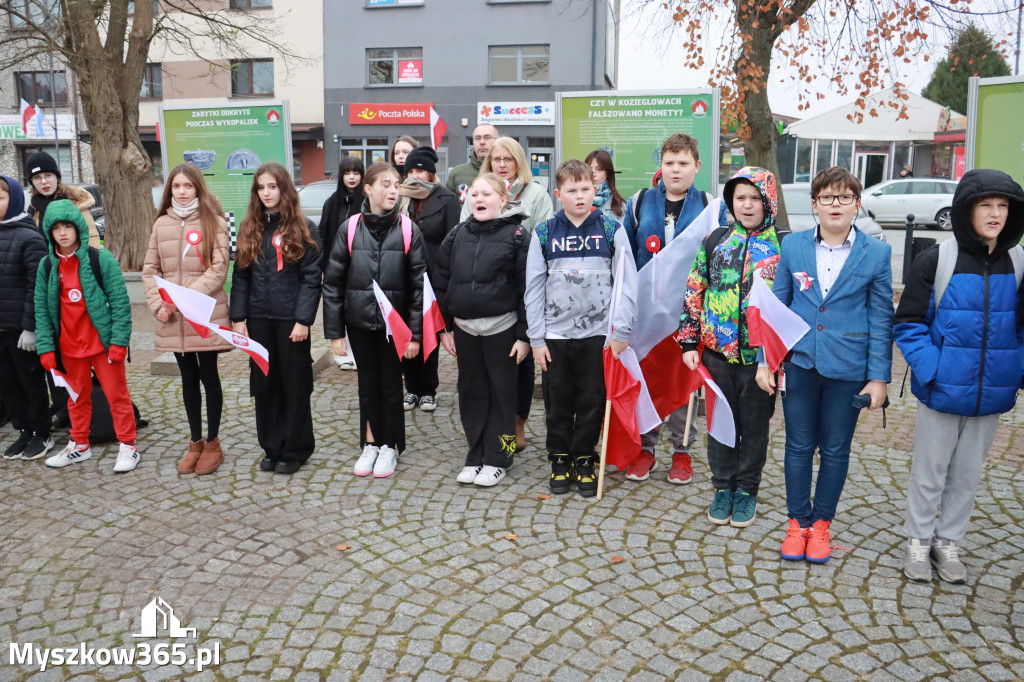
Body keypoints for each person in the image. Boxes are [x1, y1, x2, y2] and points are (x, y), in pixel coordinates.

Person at [895, 168, 1024, 584]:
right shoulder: (938, 259)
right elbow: (909, 323)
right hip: (942, 390)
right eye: (985, 205)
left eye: (1003, 206)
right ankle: (917, 539)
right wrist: (934, 370)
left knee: (967, 474)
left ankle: (947, 541)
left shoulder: (1019, 264)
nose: (995, 214)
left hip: (993, 394)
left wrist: (1015, 373)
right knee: (929, 471)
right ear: (967, 210)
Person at [758, 167, 893, 563]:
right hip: (800, 363)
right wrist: (767, 361)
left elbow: (881, 317)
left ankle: (821, 526)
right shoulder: (794, 247)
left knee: (835, 449)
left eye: (844, 197)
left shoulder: (877, 253)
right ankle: (797, 523)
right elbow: (778, 308)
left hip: (849, 367)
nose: (836, 205)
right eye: (828, 198)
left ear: (857, 204)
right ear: (814, 205)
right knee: (798, 446)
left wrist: (878, 377)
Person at [525, 159, 638, 498]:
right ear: (558, 194)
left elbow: (627, 283)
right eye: (571, 191)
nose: (579, 196)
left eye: (585, 189)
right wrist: (536, 338)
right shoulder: (545, 233)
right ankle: (560, 459)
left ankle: (585, 458)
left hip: (597, 336)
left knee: (591, 400)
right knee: (558, 401)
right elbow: (533, 287)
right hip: (555, 337)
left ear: (595, 190)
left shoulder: (610, 230)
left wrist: (620, 331)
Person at [622, 133, 728, 485]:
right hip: (646, 314)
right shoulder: (641, 202)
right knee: (648, 378)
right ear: (661, 166)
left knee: (685, 381)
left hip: (689, 313)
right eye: (669, 163)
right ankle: (646, 447)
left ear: (697, 166)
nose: (676, 170)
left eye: (683, 163)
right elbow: (625, 255)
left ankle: (681, 450)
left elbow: (719, 256)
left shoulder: (709, 204)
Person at [678, 167, 781, 527]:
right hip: (716, 354)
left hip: (760, 361)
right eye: (741, 198)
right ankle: (722, 486)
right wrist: (689, 341)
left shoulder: (783, 246)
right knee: (721, 423)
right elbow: (695, 291)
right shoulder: (715, 240)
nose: (748, 205)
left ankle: (747, 488)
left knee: (754, 426)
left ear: (768, 201)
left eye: (755, 198)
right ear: (730, 202)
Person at [323, 163, 428, 479]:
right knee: (367, 386)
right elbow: (334, 282)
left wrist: (414, 335)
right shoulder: (350, 228)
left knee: (391, 386)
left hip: (396, 328)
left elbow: (420, 288)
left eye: (396, 184)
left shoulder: (410, 229)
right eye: (385, 184)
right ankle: (371, 443)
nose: (393, 190)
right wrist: (334, 331)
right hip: (359, 323)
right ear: (367, 189)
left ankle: (391, 446)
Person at [435, 174, 530, 486]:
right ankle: (475, 455)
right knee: (471, 393)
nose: (479, 199)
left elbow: (527, 289)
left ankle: (499, 458)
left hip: (501, 330)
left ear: (503, 199)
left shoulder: (517, 235)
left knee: (502, 395)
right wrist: (445, 328)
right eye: (474, 194)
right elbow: (441, 281)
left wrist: (523, 335)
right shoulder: (457, 234)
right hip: (465, 330)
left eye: (487, 194)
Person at [462, 136, 554, 451]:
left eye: (508, 159)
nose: (502, 164)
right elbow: (465, 229)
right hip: (487, 284)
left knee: (521, 356)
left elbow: (543, 235)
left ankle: (516, 421)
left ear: (519, 162)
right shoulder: (478, 188)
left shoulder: (536, 194)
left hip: (523, 279)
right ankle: (487, 421)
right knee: (488, 362)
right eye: (497, 159)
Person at [230, 162, 322, 475]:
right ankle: (272, 446)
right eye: (261, 188)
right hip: (258, 320)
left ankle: (296, 448)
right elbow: (240, 276)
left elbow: (312, 278)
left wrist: (303, 320)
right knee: (265, 385)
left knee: (294, 385)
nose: (267, 193)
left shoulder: (304, 227)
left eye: (272, 186)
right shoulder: (248, 228)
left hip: (290, 320)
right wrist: (239, 317)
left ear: (284, 189)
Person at [142, 163, 233, 476]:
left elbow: (219, 269)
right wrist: (159, 305)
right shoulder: (161, 225)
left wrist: (186, 298)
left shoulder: (214, 222)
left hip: (202, 312)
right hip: (173, 317)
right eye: (177, 186)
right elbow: (150, 269)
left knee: (209, 375)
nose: (182, 191)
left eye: (188, 186)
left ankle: (213, 441)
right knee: (188, 378)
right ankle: (194, 441)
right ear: (170, 190)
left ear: (198, 188)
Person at [34, 200, 138, 472]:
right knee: (76, 399)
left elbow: (120, 303)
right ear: (50, 232)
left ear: (78, 227)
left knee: (117, 396)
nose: (63, 232)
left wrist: (119, 342)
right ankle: (79, 445)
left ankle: (128, 446)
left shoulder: (100, 258)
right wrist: (45, 348)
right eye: (56, 228)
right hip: (69, 348)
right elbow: (42, 311)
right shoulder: (46, 266)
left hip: (102, 346)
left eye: (68, 225)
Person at [399, 146, 460, 412]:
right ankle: (410, 388)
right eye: (410, 171)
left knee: (428, 332)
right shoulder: (402, 198)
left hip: (434, 274)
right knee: (405, 331)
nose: (415, 176)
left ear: (431, 172)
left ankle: (428, 389)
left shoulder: (446, 198)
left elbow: (453, 239)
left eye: (420, 170)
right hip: (403, 274)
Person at [0, 175, 52, 461]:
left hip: (20, 329)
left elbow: (37, 287)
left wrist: (30, 328)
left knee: (30, 382)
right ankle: (23, 429)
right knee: (7, 383)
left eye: (0, 197)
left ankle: (41, 431)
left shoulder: (29, 237)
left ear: (15, 199)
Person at [320, 156, 365, 371]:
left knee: (358, 309)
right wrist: (324, 263)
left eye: (356, 173)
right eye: (347, 173)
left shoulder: (366, 200)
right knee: (338, 307)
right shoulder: (332, 201)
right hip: (336, 264)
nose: (352, 177)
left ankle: (359, 353)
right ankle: (343, 354)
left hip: (361, 265)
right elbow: (323, 233)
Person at [25, 151, 102, 248]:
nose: (44, 182)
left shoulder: (76, 202)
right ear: (32, 182)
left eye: (48, 175)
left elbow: (91, 242)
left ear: (57, 178)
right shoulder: (31, 210)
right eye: (37, 177)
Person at [446, 124, 498, 205]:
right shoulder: (456, 173)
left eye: (487, 137)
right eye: (477, 138)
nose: (482, 142)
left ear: (497, 141)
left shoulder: (505, 171)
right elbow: (447, 208)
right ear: (473, 142)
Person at [585, 149, 625, 219]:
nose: (593, 173)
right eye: (589, 169)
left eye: (599, 169)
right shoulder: (575, 200)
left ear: (608, 173)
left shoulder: (620, 206)